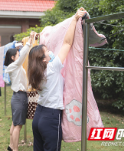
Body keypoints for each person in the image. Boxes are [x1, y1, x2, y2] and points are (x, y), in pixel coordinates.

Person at [27, 8, 86, 151]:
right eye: (47, 52)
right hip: (50, 117)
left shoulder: (35, 72)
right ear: (43, 60)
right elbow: (67, 43)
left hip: (38, 116)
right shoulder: (52, 68)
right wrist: (74, 19)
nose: (51, 52)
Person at [4, 31, 38, 151]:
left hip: (18, 96)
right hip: (19, 97)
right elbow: (23, 56)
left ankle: (11, 146)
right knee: (18, 126)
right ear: (13, 58)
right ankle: (15, 149)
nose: (19, 56)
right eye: (17, 54)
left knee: (15, 123)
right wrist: (29, 41)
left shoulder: (15, 67)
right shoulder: (14, 66)